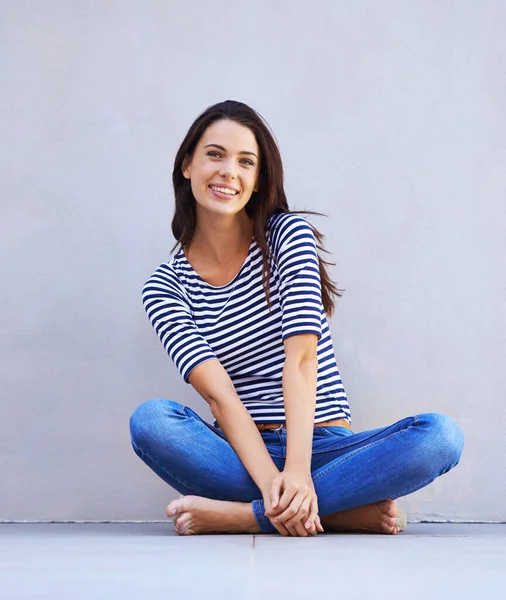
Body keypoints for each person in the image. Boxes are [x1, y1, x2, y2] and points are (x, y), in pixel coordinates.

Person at [129, 100, 464, 537]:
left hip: (323, 444)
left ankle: (241, 516)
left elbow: (303, 361)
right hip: (240, 452)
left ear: (257, 180)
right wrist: (274, 483)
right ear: (187, 165)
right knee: (150, 421)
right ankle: (335, 511)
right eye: (215, 154)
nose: (229, 170)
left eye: (245, 162)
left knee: (439, 437)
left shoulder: (288, 237)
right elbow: (220, 398)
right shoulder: (165, 285)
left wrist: (299, 472)